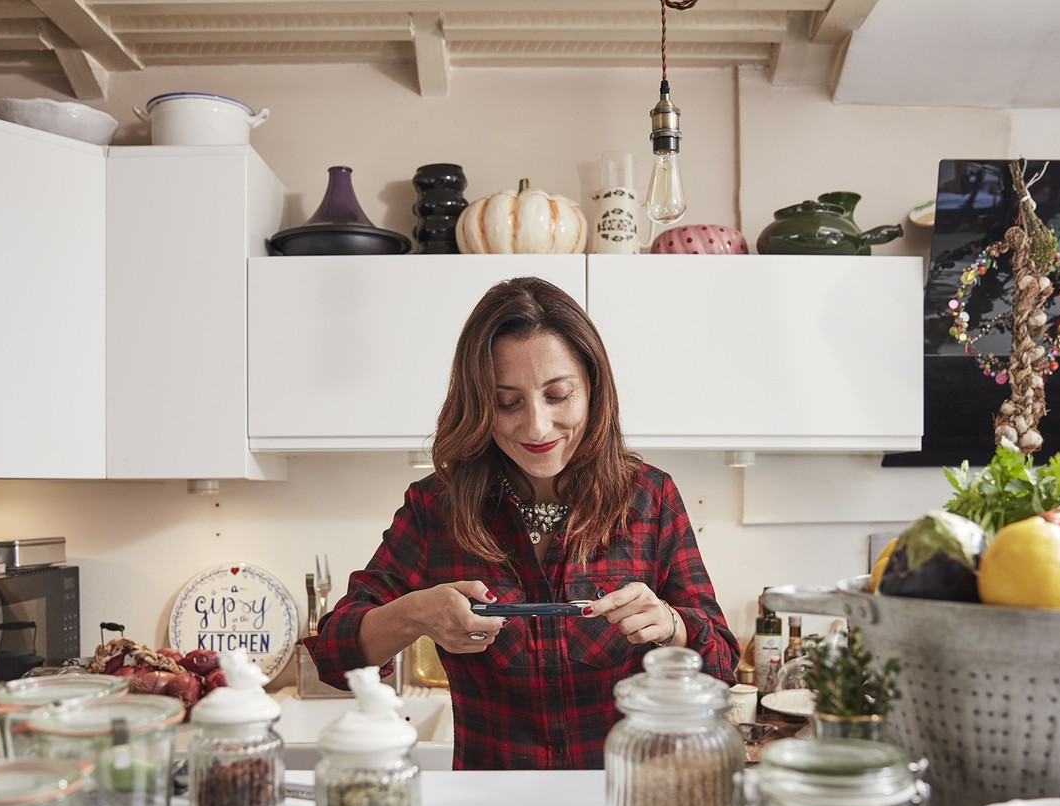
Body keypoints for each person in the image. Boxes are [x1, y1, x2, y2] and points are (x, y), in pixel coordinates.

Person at [304, 276, 739, 769]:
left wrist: (671, 625)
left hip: (628, 803)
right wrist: (416, 614)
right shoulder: (436, 508)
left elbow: (722, 662)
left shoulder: (650, 498)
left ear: (593, 389)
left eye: (558, 396)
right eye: (506, 402)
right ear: (476, 402)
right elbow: (334, 657)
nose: (536, 427)